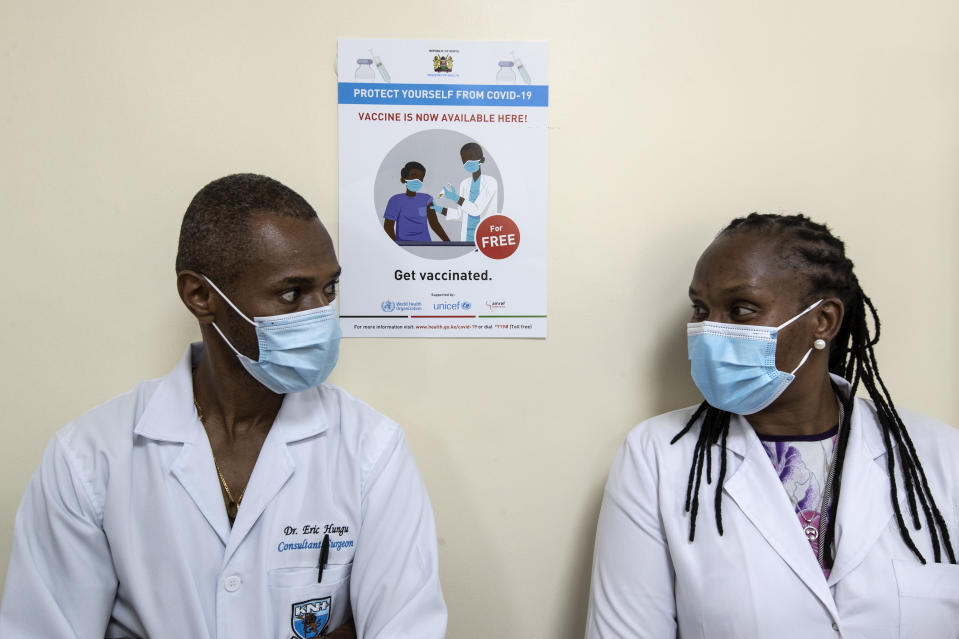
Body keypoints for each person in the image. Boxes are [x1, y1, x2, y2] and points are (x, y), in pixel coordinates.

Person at [0, 174, 448, 638]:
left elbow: (406, 627)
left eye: (329, 289)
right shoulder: (91, 457)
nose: (320, 315)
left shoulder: (371, 450)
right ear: (200, 295)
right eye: (291, 293)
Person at [586, 213, 959, 638]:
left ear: (825, 320)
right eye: (701, 309)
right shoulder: (658, 457)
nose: (710, 331)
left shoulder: (941, 457)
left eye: (742, 309)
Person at [437, 142, 498, 242]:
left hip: (485, 235)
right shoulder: (464, 184)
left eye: (471, 157)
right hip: (467, 237)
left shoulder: (491, 182)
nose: (467, 162)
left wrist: (454, 197)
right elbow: (461, 215)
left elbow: (476, 210)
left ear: (482, 160)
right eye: (464, 160)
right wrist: (438, 209)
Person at [383, 161, 449, 243]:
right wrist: (396, 246)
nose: (417, 180)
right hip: (404, 245)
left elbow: (434, 224)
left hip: (426, 245)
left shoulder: (426, 199)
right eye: (413, 176)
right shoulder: (395, 200)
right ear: (403, 179)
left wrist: (448, 243)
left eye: (421, 178)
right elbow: (388, 227)